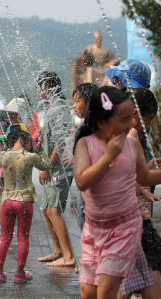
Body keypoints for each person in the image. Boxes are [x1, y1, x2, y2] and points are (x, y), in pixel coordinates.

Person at [73, 86, 161, 298]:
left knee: (107, 291)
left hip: (125, 227)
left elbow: (144, 178)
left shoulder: (132, 145)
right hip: (94, 229)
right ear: (103, 120)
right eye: (123, 120)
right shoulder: (85, 145)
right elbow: (82, 181)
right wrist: (108, 156)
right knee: (88, 292)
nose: (130, 125)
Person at [0, 124, 51, 284]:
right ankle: (20, 273)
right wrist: (41, 149)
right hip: (25, 202)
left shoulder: (4, 155)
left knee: (4, 236)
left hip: (7, 201)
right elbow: (47, 165)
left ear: (9, 139)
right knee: (23, 238)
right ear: (25, 138)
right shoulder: (30, 156)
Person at [119, 88, 161, 298]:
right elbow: (133, 176)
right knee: (152, 264)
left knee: (124, 280)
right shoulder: (131, 136)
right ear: (135, 114)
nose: (148, 124)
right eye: (148, 118)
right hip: (131, 219)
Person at [35, 71, 76, 267]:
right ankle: (59, 250)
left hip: (60, 169)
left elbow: (61, 144)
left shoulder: (59, 109)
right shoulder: (52, 108)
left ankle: (68, 256)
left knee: (54, 210)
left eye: (39, 88)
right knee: (46, 210)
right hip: (53, 168)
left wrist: (46, 167)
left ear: (47, 89)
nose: (37, 92)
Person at [70, 83, 98, 230]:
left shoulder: (89, 129)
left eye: (77, 101)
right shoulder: (86, 127)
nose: (74, 106)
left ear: (89, 103)